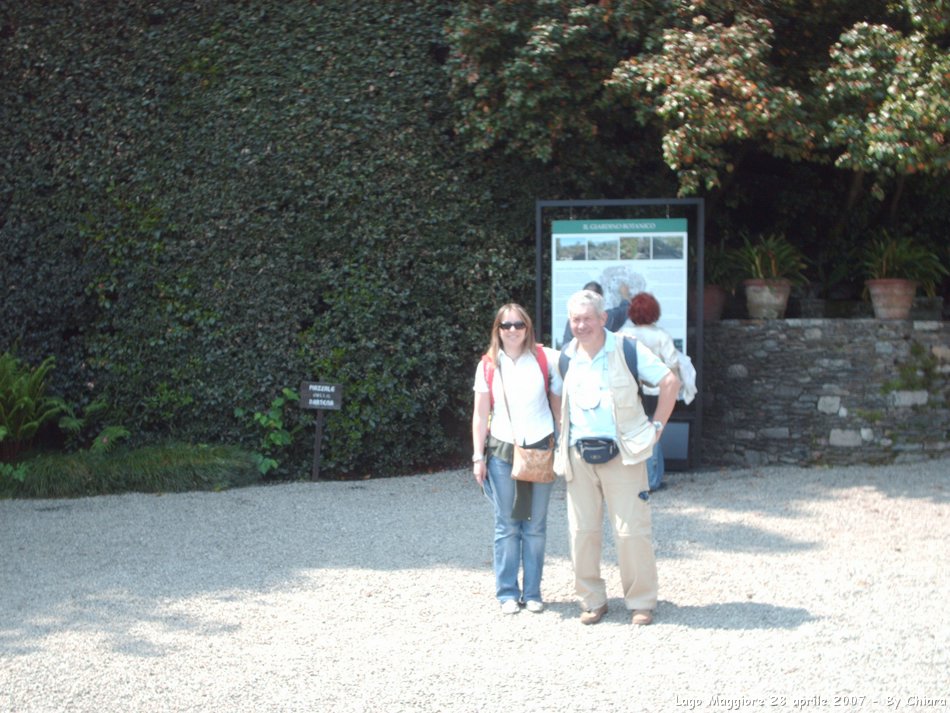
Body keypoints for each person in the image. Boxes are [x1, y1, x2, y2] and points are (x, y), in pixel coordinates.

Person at [552, 289, 680, 626]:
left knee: (631, 532)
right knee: (581, 533)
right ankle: (591, 601)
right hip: (579, 456)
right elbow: (556, 395)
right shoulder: (566, 356)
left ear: (603, 318)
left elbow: (669, 382)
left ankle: (641, 602)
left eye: (588, 319)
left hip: (623, 453)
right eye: (576, 319)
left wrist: (657, 428)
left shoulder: (626, 348)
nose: (582, 325)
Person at [472, 303, 562, 615]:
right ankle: (507, 593)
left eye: (518, 325)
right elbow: (480, 414)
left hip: (539, 448)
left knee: (535, 525)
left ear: (528, 327)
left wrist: (563, 445)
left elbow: (559, 401)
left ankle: (533, 592)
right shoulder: (487, 364)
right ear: (497, 329)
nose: (513, 330)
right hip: (501, 452)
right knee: (507, 525)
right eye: (506, 325)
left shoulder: (545, 357)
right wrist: (476, 457)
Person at [617, 292, 694, 491]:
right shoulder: (660, 335)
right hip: (658, 392)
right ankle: (652, 479)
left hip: (634, 391)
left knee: (635, 432)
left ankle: (641, 477)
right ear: (654, 312)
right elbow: (673, 362)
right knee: (655, 433)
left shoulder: (624, 332)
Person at [560, 281, 630, 347]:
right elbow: (626, 308)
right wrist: (625, 295)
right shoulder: (609, 318)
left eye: (588, 319)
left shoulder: (573, 320)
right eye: (577, 320)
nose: (581, 326)